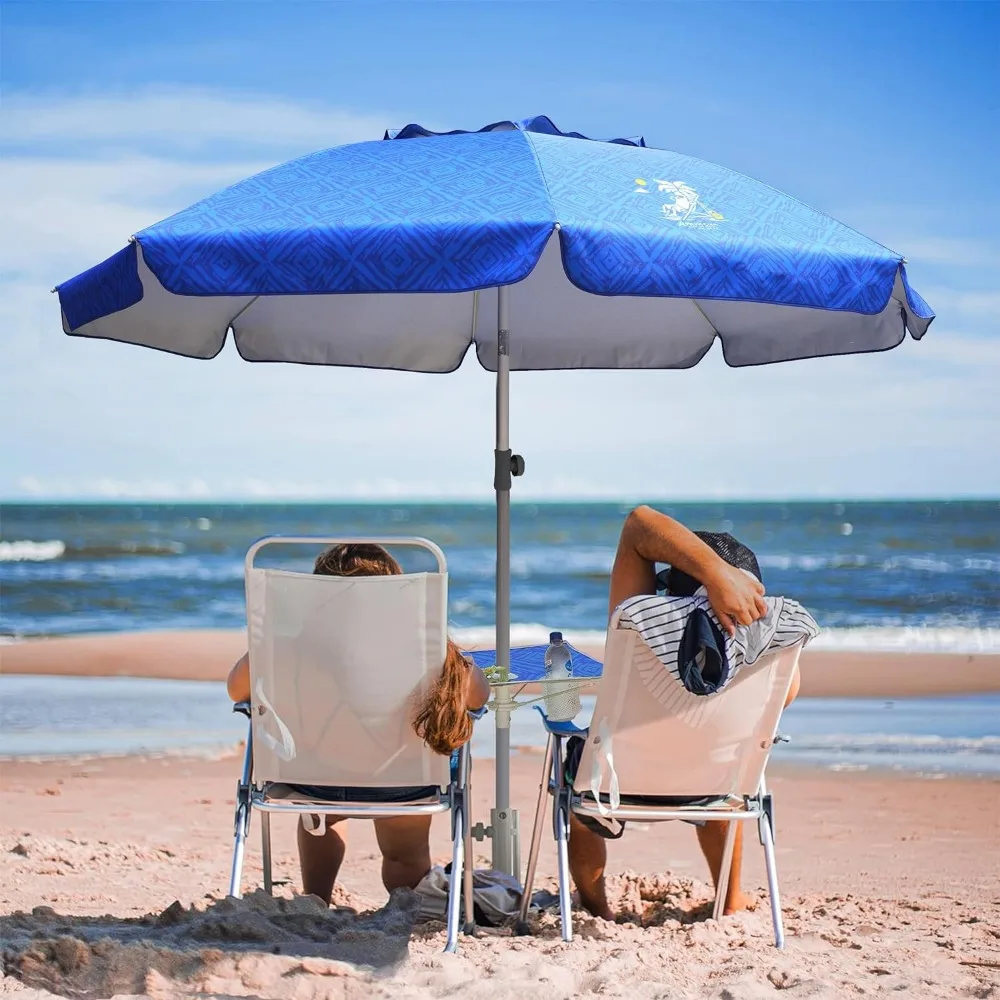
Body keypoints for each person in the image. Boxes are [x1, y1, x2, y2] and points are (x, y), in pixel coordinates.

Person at [567, 505, 818, 921]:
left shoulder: (636, 622)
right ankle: (730, 896)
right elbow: (784, 696)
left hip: (615, 784)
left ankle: (596, 908)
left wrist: (712, 573)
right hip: (713, 786)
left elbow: (638, 525)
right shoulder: (772, 653)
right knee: (730, 764)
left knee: (573, 782)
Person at [226, 542, 490, 905]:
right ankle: (405, 903)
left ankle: (316, 898)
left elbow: (236, 690)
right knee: (403, 854)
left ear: (318, 595)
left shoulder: (286, 648)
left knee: (320, 816)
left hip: (313, 781)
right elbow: (478, 697)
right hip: (403, 785)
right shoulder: (426, 649)